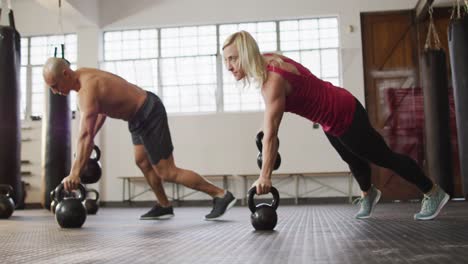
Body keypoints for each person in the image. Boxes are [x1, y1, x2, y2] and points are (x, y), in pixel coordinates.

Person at [222, 31, 449, 221]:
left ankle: (432, 191)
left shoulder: (272, 81)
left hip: (344, 113)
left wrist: (265, 177)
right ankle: (368, 194)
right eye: (226, 60)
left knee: (384, 158)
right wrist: (265, 131)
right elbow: (277, 114)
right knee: (351, 158)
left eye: (233, 59)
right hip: (329, 118)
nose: (229, 67)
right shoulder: (267, 61)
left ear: (246, 53)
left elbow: (272, 133)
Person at [42, 58, 236, 220]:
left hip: (148, 112)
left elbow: (84, 134)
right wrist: (90, 138)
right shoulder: (82, 76)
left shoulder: (86, 90)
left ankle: (221, 195)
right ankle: (164, 204)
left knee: (167, 171)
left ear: (66, 74)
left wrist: (75, 173)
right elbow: (99, 114)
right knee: (142, 161)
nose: (55, 91)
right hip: (136, 117)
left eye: (55, 85)